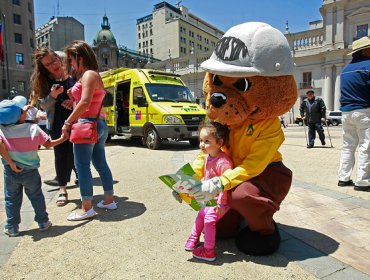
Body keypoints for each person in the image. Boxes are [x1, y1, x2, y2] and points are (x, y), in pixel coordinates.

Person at [62, 40, 115, 221]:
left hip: (87, 124)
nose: (70, 64)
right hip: (96, 124)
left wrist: (67, 122)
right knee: (100, 163)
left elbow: (85, 103)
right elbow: (86, 102)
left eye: (71, 60)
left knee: (82, 166)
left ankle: (86, 208)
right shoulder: (90, 76)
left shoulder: (89, 75)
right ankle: (109, 200)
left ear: (80, 58)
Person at [0, 96, 67, 237]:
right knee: (36, 196)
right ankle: (43, 222)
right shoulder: (33, 128)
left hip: (10, 171)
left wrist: (11, 163)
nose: (25, 110)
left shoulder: (2, 130)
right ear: (19, 115)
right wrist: (62, 138)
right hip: (30, 171)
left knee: (11, 199)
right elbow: (48, 144)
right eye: (22, 111)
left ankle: (12, 227)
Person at [173, 122, 233, 262]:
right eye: (201, 140)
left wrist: (220, 204)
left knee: (208, 219)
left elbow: (226, 184)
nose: (202, 144)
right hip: (209, 199)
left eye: (206, 141)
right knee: (201, 215)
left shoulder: (223, 161)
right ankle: (194, 238)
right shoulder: (207, 158)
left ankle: (209, 251)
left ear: (219, 142)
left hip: (220, 202)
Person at [30, 48, 77, 207]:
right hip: (57, 122)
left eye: (53, 60)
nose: (53, 65)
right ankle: (63, 189)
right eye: (48, 65)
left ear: (58, 58)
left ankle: (84, 188)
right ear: (44, 67)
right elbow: (43, 105)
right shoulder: (45, 80)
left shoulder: (73, 74)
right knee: (61, 155)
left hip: (75, 121)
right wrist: (53, 96)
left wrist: (73, 101)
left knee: (76, 155)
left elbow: (82, 96)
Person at [338, 36, 370, 192]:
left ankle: (343, 178)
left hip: (346, 112)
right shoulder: (368, 66)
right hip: (364, 110)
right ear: (365, 50)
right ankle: (363, 181)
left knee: (348, 146)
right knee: (366, 146)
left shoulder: (345, 70)